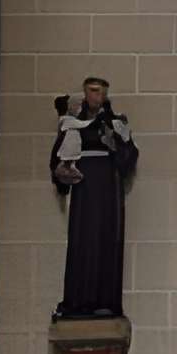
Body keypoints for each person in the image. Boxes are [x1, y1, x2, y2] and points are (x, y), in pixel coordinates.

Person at [52, 76, 139, 318]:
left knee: (106, 239)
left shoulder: (114, 123)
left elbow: (129, 155)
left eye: (100, 92)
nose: (95, 96)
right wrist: (60, 171)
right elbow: (59, 154)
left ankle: (105, 299)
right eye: (91, 91)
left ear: (105, 95)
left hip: (107, 189)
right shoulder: (72, 123)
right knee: (82, 240)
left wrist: (114, 144)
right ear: (85, 93)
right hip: (84, 186)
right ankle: (79, 300)